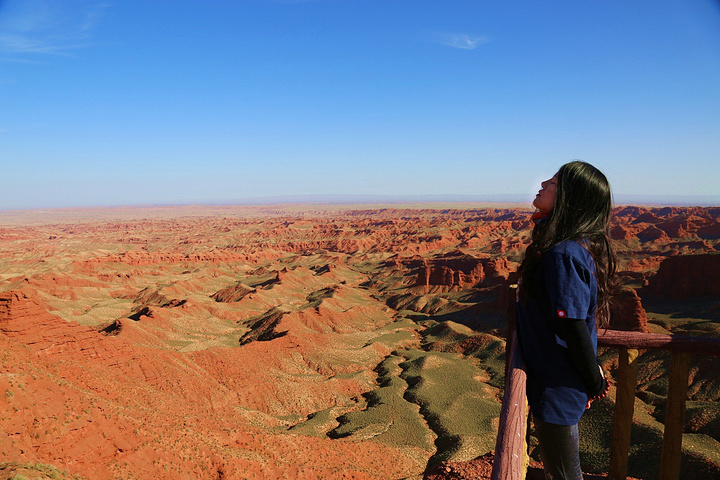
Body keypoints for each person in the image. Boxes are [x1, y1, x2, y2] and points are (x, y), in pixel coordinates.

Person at [515, 160, 615, 480]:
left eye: (554, 183)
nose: (543, 183)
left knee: (565, 476)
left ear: (569, 199)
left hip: (558, 388)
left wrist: (592, 381)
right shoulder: (564, 248)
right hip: (559, 382)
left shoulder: (563, 253)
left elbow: (572, 326)